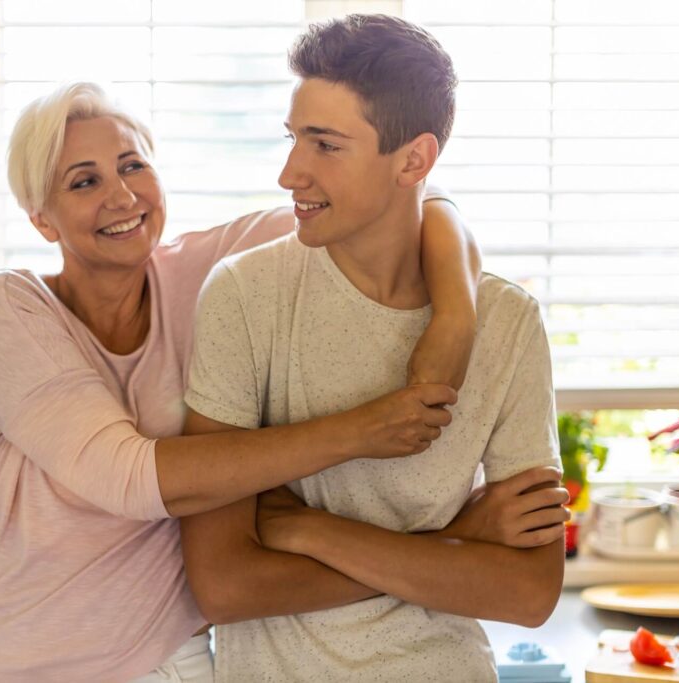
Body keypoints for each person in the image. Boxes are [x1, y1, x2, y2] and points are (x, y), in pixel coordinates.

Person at [0, 80, 487, 682]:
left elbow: (401, 199)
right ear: (43, 220)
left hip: (169, 657)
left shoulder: (208, 273)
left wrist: (455, 314)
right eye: (84, 181)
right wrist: (364, 436)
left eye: (132, 166)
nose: (121, 196)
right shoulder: (7, 307)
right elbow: (128, 479)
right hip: (9, 662)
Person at [180, 14, 566, 681]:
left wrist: (307, 528)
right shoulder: (244, 295)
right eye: (295, 137)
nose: (289, 173)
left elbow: (528, 592)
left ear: (413, 160)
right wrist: (453, 547)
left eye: (325, 145)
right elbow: (224, 585)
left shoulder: (507, 321)